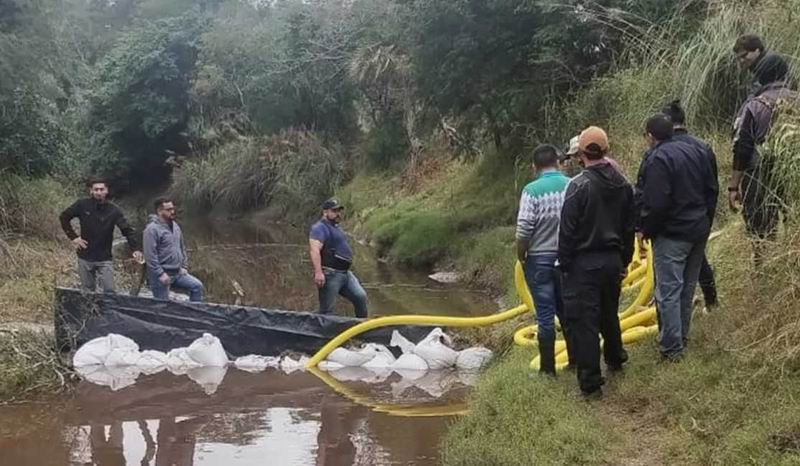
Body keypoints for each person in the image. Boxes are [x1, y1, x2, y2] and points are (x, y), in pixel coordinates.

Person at [558, 126, 635, 398]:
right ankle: (616, 359)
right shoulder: (624, 185)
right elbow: (629, 228)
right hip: (613, 260)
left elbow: (566, 232)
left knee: (585, 322)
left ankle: (591, 384)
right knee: (609, 313)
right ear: (606, 150)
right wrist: (625, 260)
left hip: (583, 263)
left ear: (580, 154)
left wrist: (565, 266)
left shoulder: (578, 186)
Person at [639, 114, 718, 361]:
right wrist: (706, 221)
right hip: (698, 229)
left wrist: (646, 230)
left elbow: (657, 203)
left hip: (672, 234)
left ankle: (672, 348)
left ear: (651, 136)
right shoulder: (698, 150)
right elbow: (711, 189)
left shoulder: (657, 158)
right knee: (687, 286)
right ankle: (681, 336)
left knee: (669, 291)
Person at [730, 36, 797, 263]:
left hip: (761, 173)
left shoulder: (756, 105)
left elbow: (743, 146)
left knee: (760, 224)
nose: (741, 62)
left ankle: (763, 263)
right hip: (793, 172)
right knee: (793, 217)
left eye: (743, 56)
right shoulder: (796, 98)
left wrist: (733, 184)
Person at [516, 144, 571, 375]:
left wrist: (522, 254)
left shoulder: (532, 190)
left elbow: (524, 228)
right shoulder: (572, 185)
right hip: (568, 259)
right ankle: (576, 359)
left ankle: (547, 370)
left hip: (539, 260)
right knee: (567, 310)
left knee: (546, 315)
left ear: (534, 167)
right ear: (558, 162)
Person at [662, 100, 719, 310]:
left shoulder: (661, 150)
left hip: (673, 223)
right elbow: (712, 187)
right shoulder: (703, 147)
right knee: (698, 257)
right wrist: (708, 218)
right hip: (699, 217)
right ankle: (711, 299)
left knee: (672, 270)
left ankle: (675, 318)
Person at [59, 179, 142, 293]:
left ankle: (108, 311)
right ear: (91, 191)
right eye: (96, 189)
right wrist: (73, 237)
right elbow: (64, 217)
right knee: (88, 292)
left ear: (106, 191)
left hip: (104, 258)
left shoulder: (113, 210)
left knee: (109, 290)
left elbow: (127, 230)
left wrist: (135, 249)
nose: (98, 192)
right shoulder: (82, 205)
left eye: (101, 189)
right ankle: (91, 311)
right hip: (85, 255)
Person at [309, 198, 368, 318]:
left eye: (339, 211)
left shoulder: (336, 227)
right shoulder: (319, 228)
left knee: (360, 297)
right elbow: (314, 250)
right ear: (325, 212)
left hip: (346, 274)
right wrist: (318, 272)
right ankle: (320, 333)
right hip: (330, 274)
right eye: (334, 211)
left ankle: (362, 330)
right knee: (327, 310)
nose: (338, 214)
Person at [143, 198, 204, 302]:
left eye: (173, 209)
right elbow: (150, 256)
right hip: (160, 276)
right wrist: (160, 274)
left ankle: (194, 315)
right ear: (159, 211)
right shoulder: (151, 230)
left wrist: (184, 266)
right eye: (168, 209)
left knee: (197, 286)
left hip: (177, 272)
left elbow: (182, 247)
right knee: (162, 306)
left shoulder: (175, 226)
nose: (172, 211)